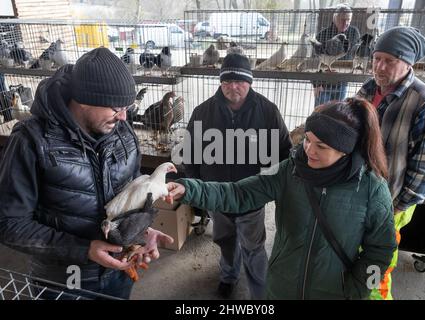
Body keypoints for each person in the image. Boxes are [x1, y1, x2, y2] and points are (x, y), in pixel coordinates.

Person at [169, 98, 397, 300]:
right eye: (307, 140)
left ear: (345, 150)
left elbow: (380, 250)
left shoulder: (371, 189)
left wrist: (360, 290)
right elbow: (239, 193)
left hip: (334, 292)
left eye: (321, 146)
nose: (309, 150)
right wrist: (190, 188)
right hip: (281, 287)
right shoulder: (289, 170)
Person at [0, 47, 173, 299]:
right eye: (115, 107)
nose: (124, 116)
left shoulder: (124, 134)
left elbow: (131, 201)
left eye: (127, 106)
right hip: (63, 280)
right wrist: (84, 250)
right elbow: (8, 223)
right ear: (84, 99)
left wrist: (139, 233)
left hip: (119, 271)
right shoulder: (31, 140)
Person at [183, 53, 292, 299]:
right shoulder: (203, 112)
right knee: (225, 241)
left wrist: (272, 185)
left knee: (253, 246)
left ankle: (260, 294)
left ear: (250, 82)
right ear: (220, 82)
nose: (233, 86)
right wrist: (196, 189)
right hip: (217, 194)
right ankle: (228, 276)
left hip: (251, 195)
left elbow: (284, 151)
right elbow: (189, 152)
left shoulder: (267, 111)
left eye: (240, 81)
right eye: (227, 81)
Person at [356, 26, 425, 300]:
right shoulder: (369, 88)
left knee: (376, 264)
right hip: (359, 193)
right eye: (377, 58)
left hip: (391, 199)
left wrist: (396, 205)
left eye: (390, 61)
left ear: (408, 63)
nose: (380, 67)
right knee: (352, 253)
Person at [313, 4, 360, 106]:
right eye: (342, 19)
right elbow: (314, 60)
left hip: (341, 83)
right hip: (324, 84)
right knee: (321, 115)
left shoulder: (354, 33)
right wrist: (316, 84)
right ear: (334, 19)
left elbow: (356, 52)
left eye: (348, 19)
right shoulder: (322, 35)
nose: (346, 22)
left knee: (337, 114)